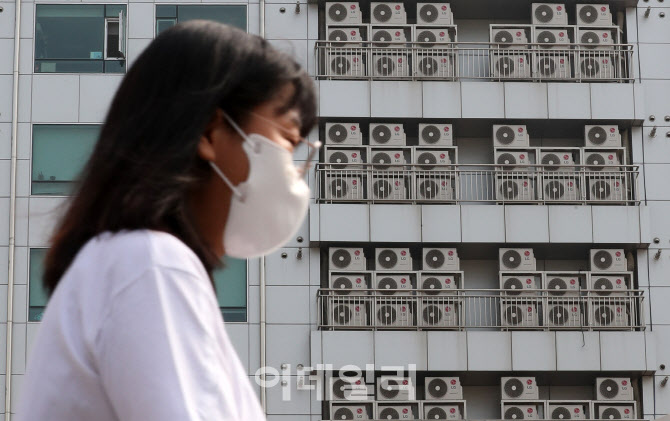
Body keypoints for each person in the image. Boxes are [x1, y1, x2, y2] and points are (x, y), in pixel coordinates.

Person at [16, 20, 318, 421]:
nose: (295, 171)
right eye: (288, 140)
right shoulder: (151, 264)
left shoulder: (135, 263)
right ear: (211, 132)